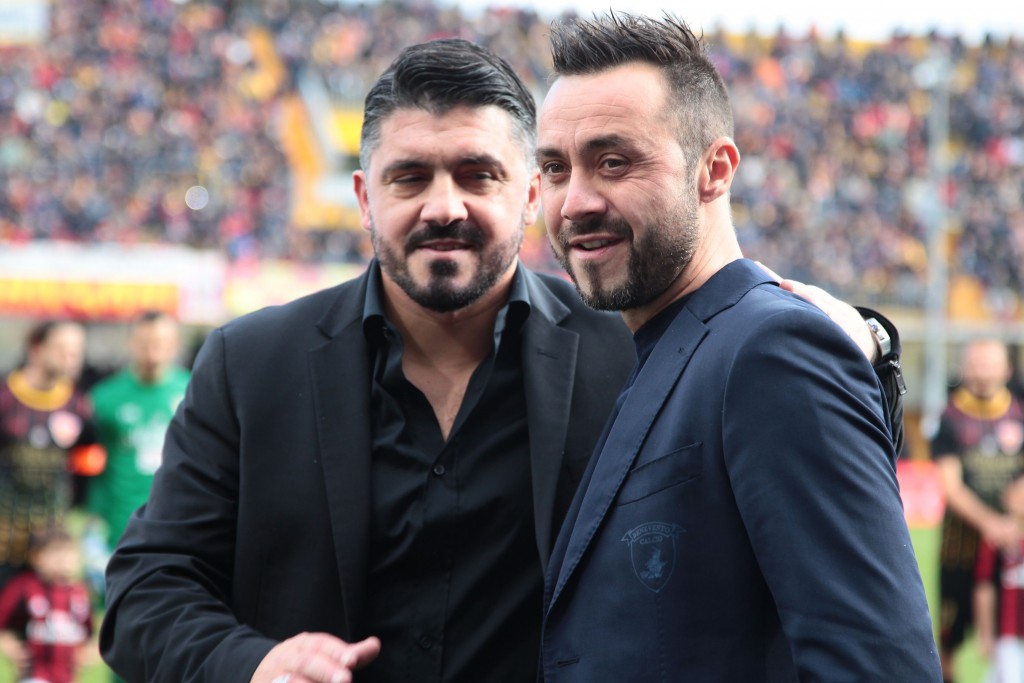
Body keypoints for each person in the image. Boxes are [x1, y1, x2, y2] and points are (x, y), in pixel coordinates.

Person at [100, 38, 908, 683]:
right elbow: (143, 590)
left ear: (528, 195)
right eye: (409, 177)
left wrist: (864, 343)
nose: (443, 206)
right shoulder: (251, 364)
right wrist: (251, 663)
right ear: (364, 198)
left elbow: (798, 507)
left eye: (478, 174)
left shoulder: (628, 355)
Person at [535, 13, 940, 681]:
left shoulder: (772, 348)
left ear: (714, 170)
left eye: (614, 162)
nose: (574, 201)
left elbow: (876, 664)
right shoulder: (663, 348)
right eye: (555, 168)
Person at [933, 338, 1024, 682]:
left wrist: (1013, 520)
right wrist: (991, 524)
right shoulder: (949, 417)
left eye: (990, 364)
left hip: (1014, 542)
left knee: (1012, 632)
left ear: (1007, 369)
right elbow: (951, 486)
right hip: (961, 544)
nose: (983, 373)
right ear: (964, 368)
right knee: (948, 639)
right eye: (976, 364)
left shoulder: (1019, 411)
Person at [0, 320, 102, 591]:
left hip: (51, 541)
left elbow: (88, 462)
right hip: (4, 536)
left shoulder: (79, 405)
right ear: (36, 348)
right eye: (61, 348)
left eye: (77, 350)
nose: (71, 357)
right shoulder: (5, 397)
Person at [86, 311, 190, 553]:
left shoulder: (193, 392)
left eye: (160, 343)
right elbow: (94, 464)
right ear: (131, 343)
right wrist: (94, 516)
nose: (152, 352)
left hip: (177, 521)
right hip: (119, 523)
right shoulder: (103, 398)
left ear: (175, 345)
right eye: (144, 343)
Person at [0, 524, 94, 683]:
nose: (63, 560)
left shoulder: (80, 593)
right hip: (34, 676)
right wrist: (11, 647)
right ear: (36, 557)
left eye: (69, 552)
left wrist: (88, 654)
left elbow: (90, 634)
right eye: (56, 553)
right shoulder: (24, 588)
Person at [974, 473, 1024, 683]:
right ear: (1008, 497)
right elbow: (984, 588)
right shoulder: (996, 539)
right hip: (1008, 632)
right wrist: (985, 634)